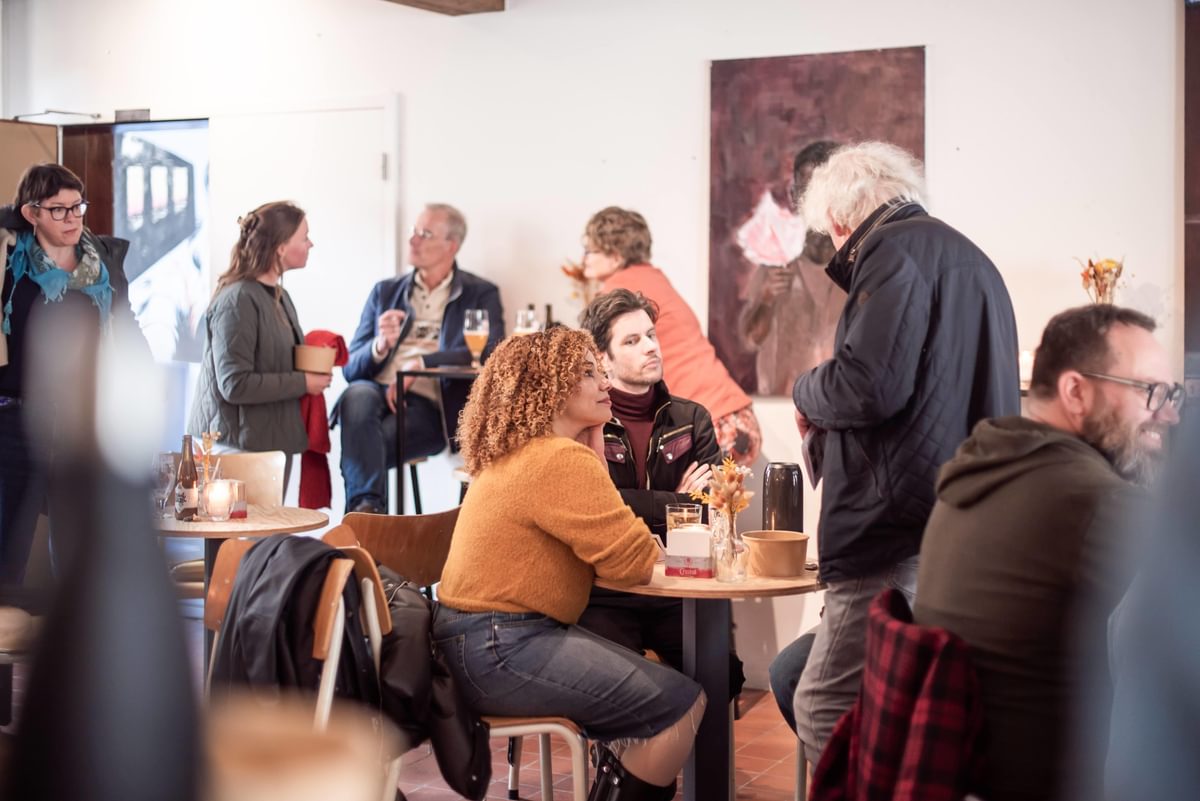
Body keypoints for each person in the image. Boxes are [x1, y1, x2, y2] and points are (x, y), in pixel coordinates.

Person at [789, 141, 1020, 765]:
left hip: (891, 525)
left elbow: (868, 386)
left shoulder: (890, 252)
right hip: (954, 522)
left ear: (839, 220)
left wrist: (805, 385)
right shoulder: (967, 256)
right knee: (871, 699)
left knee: (819, 705)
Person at [913, 304, 1181, 801]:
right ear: (1076, 391)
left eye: (1173, 394)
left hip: (959, 777)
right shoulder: (1093, 499)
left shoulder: (984, 464)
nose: (1169, 414)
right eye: (1150, 391)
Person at [432, 327, 705, 799]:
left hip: (466, 642)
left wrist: (594, 456)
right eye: (585, 373)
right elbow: (634, 564)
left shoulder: (520, 453)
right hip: (501, 646)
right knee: (682, 704)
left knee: (660, 699)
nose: (604, 382)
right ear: (548, 389)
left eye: (600, 370)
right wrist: (595, 464)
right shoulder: (558, 460)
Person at [576, 289, 730, 676]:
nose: (651, 347)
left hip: (679, 588)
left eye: (651, 335)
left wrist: (636, 503)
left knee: (721, 673)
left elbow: (713, 506)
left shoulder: (691, 418)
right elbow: (595, 508)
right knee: (621, 680)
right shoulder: (584, 423)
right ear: (602, 359)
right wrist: (676, 500)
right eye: (632, 341)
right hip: (608, 592)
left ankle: (691, 739)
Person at [0, 164, 138, 583]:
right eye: (58, 210)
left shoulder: (102, 266)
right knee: (9, 546)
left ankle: (73, 644)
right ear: (31, 213)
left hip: (82, 423)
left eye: (77, 206)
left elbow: (127, 330)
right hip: (15, 421)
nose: (73, 217)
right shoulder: (10, 262)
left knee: (78, 546)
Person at [339, 203, 503, 514]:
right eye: (414, 231)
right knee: (355, 395)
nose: (413, 240)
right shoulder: (385, 292)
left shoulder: (479, 293)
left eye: (425, 233)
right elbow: (350, 367)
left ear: (451, 245)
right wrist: (381, 345)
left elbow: (490, 349)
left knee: (362, 448)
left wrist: (423, 364)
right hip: (374, 394)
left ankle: (364, 524)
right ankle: (371, 519)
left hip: (429, 405)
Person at [582, 207, 761, 466]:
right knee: (709, 505)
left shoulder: (617, 298)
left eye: (590, 250)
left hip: (713, 422)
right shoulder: (656, 280)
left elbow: (592, 362)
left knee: (693, 505)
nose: (584, 259)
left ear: (615, 256)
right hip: (734, 415)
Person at [188, 201, 329, 487]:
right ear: (280, 248)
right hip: (235, 448)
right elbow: (235, 384)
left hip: (268, 443)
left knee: (269, 533)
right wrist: (303, 383)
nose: (310, 244)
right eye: (304, 237)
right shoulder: (238, 299)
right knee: (239, 535)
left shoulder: (278, 296)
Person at [739, 140, 845, 396]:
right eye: (806, 191)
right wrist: (765, 299)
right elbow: (752, 339)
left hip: (845, 409)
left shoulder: (862, 265)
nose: (814, 203)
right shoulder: (775, 265)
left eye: (823, 192)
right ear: (794, 195)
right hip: (785, 410)